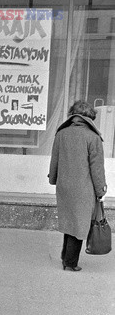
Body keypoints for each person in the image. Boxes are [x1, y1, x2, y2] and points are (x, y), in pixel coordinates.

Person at [48, 100, 107, 271]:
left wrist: (53, 179)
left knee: (70, 222)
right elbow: (97, 169)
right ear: (90, 117)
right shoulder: (93, 137)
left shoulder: (61, 134)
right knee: (80, 225)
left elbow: (55, 161)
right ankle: (70, 262)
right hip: (83, 189)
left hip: (64, 186)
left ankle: (65, 257)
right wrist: (101, 188)